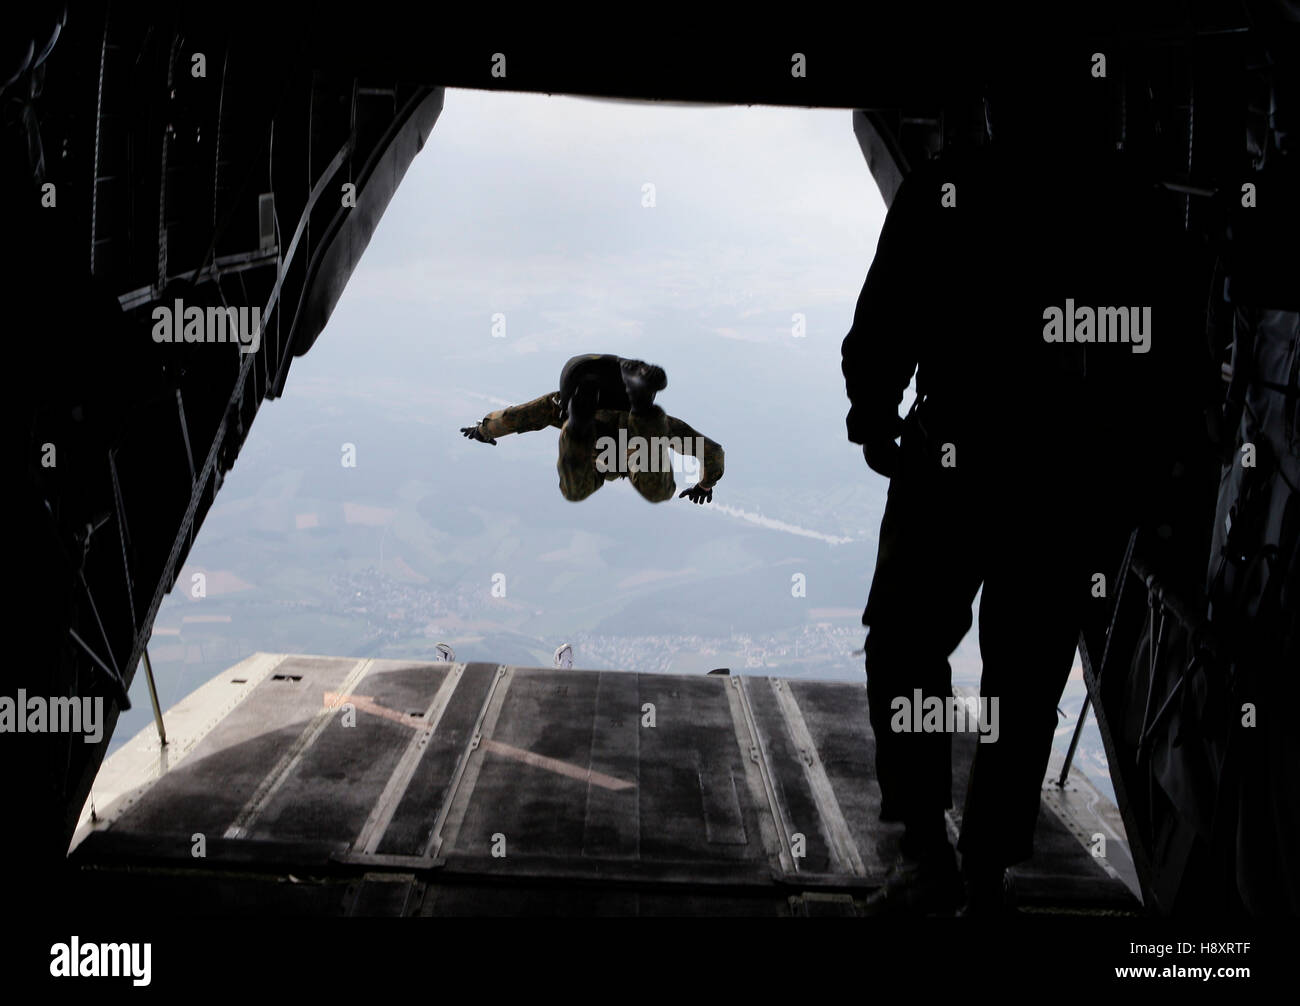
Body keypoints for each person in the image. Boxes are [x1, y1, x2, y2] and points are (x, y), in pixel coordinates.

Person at [843, 77, 1191, 914]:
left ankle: (928, 842)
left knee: (908, 644)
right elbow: (1160, 354)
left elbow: (888, 317)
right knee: (1022, 678)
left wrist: (874, 416)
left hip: (954, 457)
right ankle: (982, 865)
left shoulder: (946, 193)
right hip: (1057, 475)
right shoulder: (1121, 206)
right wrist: (1132, 474)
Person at [460, 354, 724, 504]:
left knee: (576, 489)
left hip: (585, 425)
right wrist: (704, 484)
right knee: (656, 488)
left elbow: (515, 417)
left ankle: (577, 427)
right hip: (633, 428)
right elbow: (712, 452)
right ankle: (643, 415)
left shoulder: (559, 403)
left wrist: (484, 430)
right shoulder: (667, 428)